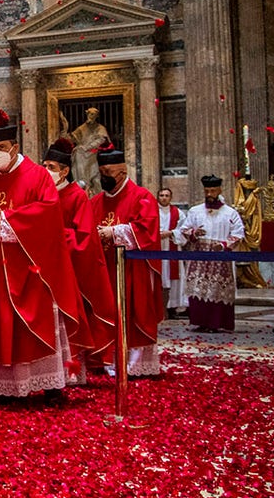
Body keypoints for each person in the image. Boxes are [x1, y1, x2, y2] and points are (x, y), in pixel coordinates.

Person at [0, 109, 81, 406]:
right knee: (1, 326)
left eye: (1, 149)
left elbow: (48, 214)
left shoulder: (38, 176)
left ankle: (50, 386)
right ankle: (5, 389)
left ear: (15, 148)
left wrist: (7, 220)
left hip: (31, 270)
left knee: (33, 324)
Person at [43, 138, 114, 378]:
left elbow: (85, 237)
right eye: (44, 166)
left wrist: (55, 235)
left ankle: (74, 372)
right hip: (46, 269)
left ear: (64, 172)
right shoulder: (41, 195)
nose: (46, 171)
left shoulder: (77, 196)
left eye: (51, 167)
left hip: (70, 271)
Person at [91, 143, 163, 376]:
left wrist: (112, 232)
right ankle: (106, 359)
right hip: (104, 270)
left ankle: (134, 365)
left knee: (134, 312)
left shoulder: (142, 197)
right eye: (101, 173)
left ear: (122, 172)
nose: (104, 178)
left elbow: (146, 230)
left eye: (108, 173)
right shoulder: (94, 202)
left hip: (134, 271)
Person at [175, 175, 245, 333]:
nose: (209, 194)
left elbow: (238, 234)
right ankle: (201, 322)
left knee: (217, 289)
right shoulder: (195, 211)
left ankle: (217, 323)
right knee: (198, 288)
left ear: (219, 190)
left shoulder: (230, 213)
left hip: (220, 258)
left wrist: (222, 245)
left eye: (213, 191)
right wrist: (194, 232)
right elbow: (184, 230)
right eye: (207, 191)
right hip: (199, 257)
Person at [157, 187, 186, 319]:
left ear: (171, 197)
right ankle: (159, 308)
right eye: (161, 195)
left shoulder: (178, 213)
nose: (164, 198)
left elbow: (184, 229)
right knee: (160, 277)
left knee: (173, 278)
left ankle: (172, 307)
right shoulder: (152, 211)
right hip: (156, 248)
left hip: (172, 246)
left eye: (167, 195)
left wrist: (170, 233)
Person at [67, 108, 110, 196]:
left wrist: (88, 147)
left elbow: (101, 139)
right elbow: (73, 138)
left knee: (95, 177)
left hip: (93, 155)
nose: (91, 116)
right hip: (81, 155)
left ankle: (98, 197)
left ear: (97, 116)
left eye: (93, 114)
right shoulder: (82, 128)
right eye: (90, 114)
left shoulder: (100, 128)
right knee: (81, 177)